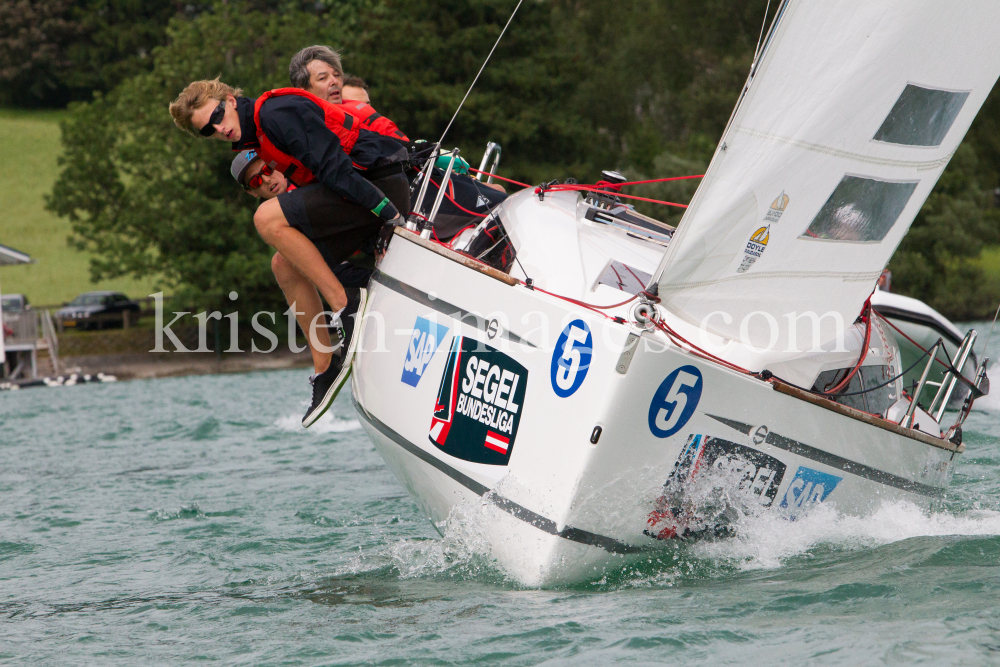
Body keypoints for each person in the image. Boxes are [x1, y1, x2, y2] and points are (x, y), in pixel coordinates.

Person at [169, 77, 409, 427]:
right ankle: (325, 367)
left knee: (266, 217)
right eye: (209, 130)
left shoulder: (275, 113)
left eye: (218, 115)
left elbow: (335, 169)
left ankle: (346, 304)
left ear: (231, 100)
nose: (220, 128)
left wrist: (388, 213)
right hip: (358, 196)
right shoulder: (253, 140)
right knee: (284, 264)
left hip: (377, 186)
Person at [231, 149, 373, 379]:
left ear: (277, 163)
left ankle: (329, 357)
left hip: (377, 246)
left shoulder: (306, 178)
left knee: (281, 261)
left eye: (267, 169)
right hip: (357, 272)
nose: (267, 180)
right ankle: (325, 363)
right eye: (257, 180)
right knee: (282, 262)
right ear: (251, 192)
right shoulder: (278, 221)